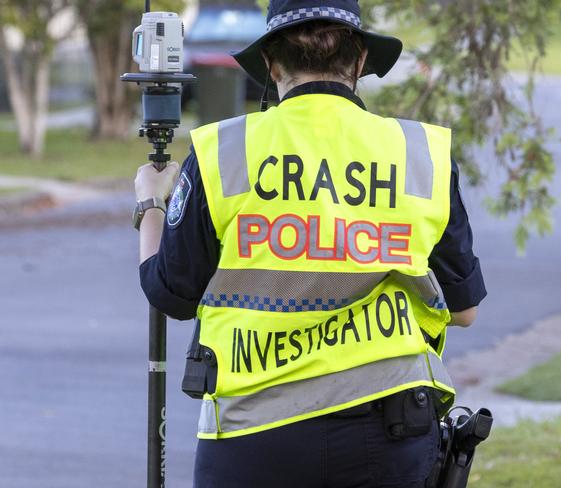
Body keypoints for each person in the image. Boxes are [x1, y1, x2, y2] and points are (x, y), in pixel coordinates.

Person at [135, 1, 487, 486]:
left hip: (253, 441)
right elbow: (463, 310)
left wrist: (150, 205)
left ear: (271, 64)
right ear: (360, 61)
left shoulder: (223, 152)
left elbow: (170, 293)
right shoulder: (418, 154)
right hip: (391, 435)